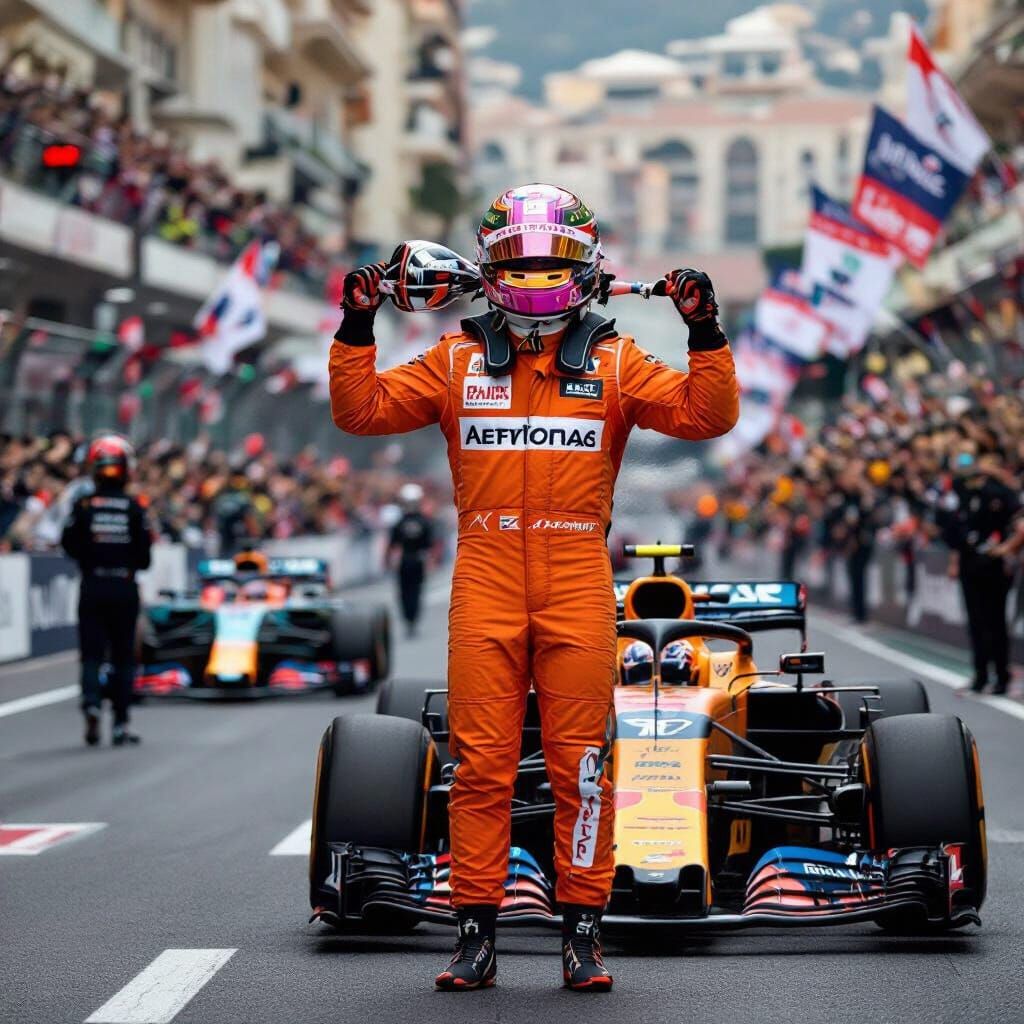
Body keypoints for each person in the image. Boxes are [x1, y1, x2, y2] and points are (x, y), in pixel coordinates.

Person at [329, 183, 738, 992]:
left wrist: (704, 330)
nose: (537, 272)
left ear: (585, 266)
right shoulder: (453, 358)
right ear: (487, 267)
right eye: (520, 260)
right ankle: (474, 934)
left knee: (581, 768)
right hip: (484, 572)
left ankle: (582, 933)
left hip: (578, 573)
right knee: (480, 766)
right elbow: (361, 411)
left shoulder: (618, 360)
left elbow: (706, 416)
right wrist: (356, 322)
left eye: (553, 259)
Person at [61, 435, 152, 746]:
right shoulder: (135, 508)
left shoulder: (83, 505)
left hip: (93, 585)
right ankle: (120, 725)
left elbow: (69, 545)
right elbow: (145, 558)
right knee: (124, 656)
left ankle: (92, 703)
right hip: (124, 586)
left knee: (91, 654)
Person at [942, 447, 1019, 694]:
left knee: (995, 621)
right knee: (975, 622)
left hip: (994, 565)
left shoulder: (1003, 493)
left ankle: (1002, 677)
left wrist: (1006, 550)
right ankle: (980, 675)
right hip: (969, 563)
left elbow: (1017, 513)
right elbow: (953, 530)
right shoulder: (963, 492)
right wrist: (955, 560)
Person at [388, 482, 436, 636]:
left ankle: (410, 619)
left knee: (408, 592)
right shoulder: (423, 522)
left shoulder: (401, 522)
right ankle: (411, 619)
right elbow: (429, 545)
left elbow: (392, 544)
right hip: (414, 561)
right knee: (413, 591)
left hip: (408, 561)